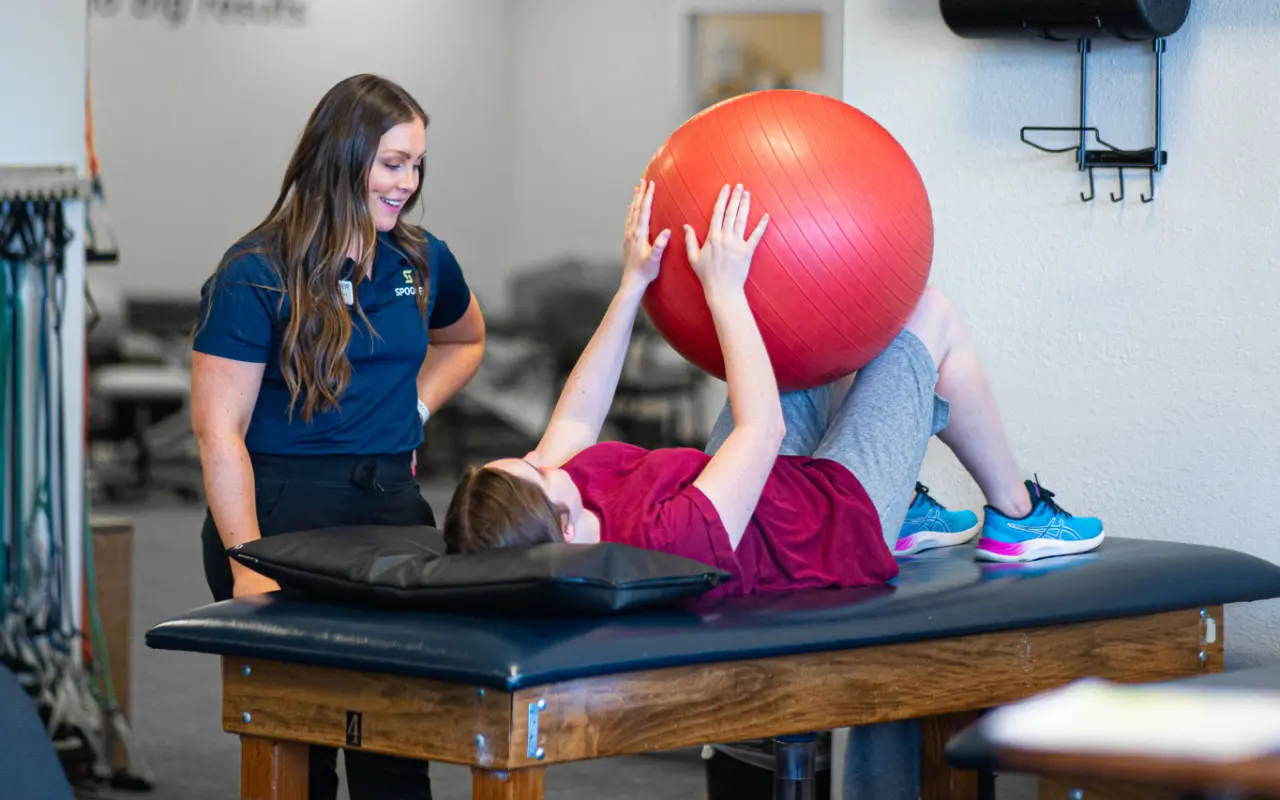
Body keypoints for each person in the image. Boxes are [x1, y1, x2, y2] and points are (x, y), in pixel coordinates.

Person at [443, 179, 1103, 585]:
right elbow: (765, 428)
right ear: (561, 524)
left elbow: (576, 423)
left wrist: (632, 285)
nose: (541, 457)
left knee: (811, 329)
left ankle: (914, 505)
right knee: (929, 313)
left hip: (762, 490)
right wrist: (723, 291)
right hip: (837, 519)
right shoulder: (667, 549)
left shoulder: (560, 507)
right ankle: (1017, 518)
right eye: (536, 469)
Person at [189, 74, 485, 800]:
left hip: (389, 514)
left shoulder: (420, 260)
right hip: (281, 514)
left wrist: (411, 410)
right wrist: (246, 559)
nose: (407, 183)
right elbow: (217, 433)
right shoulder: (254, 274)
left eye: (416, 164)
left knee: (394, 746)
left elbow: (467, 339)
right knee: (302, 753)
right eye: (392, 163)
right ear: (341, 156)